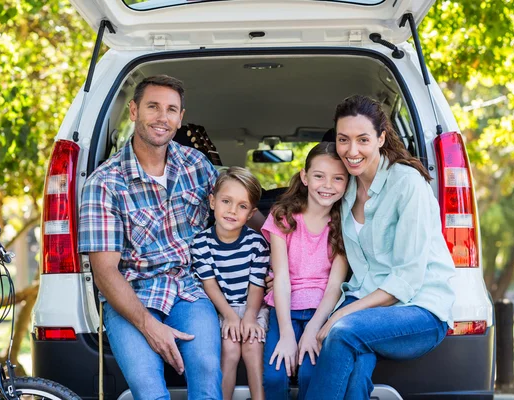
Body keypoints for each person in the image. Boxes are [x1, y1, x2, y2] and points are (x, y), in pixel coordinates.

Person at [78, 75, 222, 400]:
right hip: (131, 295)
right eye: (153, 107)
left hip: (188, 290)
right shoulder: (105, 183)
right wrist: (149, 326)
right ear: (133, 111)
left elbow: (234, 212)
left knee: (207, 370)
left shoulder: (196, 164)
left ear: (180, 117)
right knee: (148, 390)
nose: (162, 117)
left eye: (171, 110)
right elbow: (105, 272)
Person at [306, 95, 456, 399]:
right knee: (356, 366)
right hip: (367, 307)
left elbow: (407, 281)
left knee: (345, 334)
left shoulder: (407, 184)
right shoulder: (345, 185)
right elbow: (306, 223)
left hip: (419, 309)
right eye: (343, 139)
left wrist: (337, 317)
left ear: (381, 138)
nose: (352, 150)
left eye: (363, 139)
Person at [261, 142, 350, 400]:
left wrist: (313, 329)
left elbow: (335, 285)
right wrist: (287, 334)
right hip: (284, 308)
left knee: (311, 375)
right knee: (274, 375)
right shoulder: (283, 217)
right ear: (305, 177)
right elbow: (281, 278)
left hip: (321, 310)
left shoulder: (344, 224)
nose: (327, 185)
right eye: (319, 176)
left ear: (346, 183)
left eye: (337, 178)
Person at [191, 166, 269, 400]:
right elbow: (210, 285)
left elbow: (257, 286)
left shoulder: (257, 244)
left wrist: (249, 317)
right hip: (221, 309)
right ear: (212, 202)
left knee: (253, 347)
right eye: (226, 201)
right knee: (231, 349)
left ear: (251, 213)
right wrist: (230, 316)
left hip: (253, 307)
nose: (232, 211)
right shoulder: (201, 243)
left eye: (242, 206)